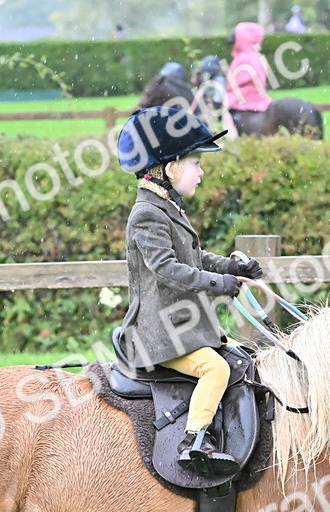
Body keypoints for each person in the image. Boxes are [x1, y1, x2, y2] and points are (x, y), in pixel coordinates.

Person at [114, 107, 263, 477]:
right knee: (215, 368)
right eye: (195, 163)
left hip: (182, 327)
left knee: (240, 357)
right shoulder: (146, 214)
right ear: (170, 169)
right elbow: (167, 269)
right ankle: (194, 441)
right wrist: (220, 286)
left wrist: (231, 268)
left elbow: (194, 257)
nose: (201, 172)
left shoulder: (165, 206)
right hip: (158, 333)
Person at [226, 21, 273, 131]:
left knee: (223, 113)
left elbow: (231, 85)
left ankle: (230, 137)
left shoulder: (243, 58)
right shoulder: (258, 56)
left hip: (244, 100)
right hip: (261, 98)